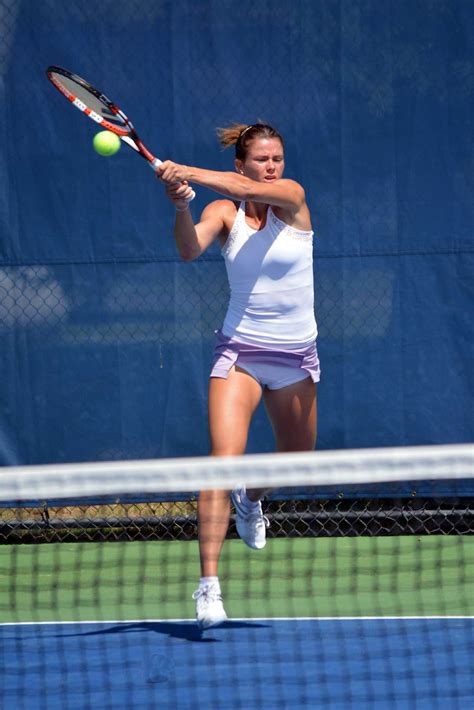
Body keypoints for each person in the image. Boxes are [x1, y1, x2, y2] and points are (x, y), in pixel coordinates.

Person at [156, 123, 320, 629]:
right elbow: (189, 250)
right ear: (240, 163)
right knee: (220, 461)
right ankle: (208, 586)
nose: (272, 167)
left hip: (295, 355)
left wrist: (188, 171)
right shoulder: (224, 211)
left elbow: (252, 192)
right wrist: (183, 204)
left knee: (296, 460)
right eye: (262, 160)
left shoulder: (292, 198)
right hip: (241, 352)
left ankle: (251, 498)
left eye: (278, 158)